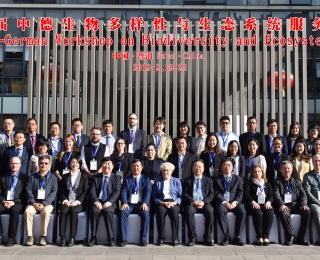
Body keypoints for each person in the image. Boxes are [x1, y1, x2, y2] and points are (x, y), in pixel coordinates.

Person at [273, 160, 310, 246]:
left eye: (288, 168)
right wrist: (281, 204)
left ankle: (302, 238)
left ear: (292, 169)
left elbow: (303, 194)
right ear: (280, 170)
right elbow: (276, 195)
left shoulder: (297, 180)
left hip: (296, 204)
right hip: (285, 205)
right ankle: (290, 236)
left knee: (307, 212)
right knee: (283, 213)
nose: (287, 170)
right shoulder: (277, 181)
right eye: (284, 168)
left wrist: (303, 204)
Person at [24, 155, 58, 246]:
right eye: (41, 163)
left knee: (46, 212)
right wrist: (34, 203)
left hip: (47, 204)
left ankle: (42, 236)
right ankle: (30, 237)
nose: (43, 165)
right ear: (38, 164)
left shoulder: (53, 178)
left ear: (49, 164)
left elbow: (53, 193)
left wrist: (44, 203)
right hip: (34, 203)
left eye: (46, 163)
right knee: (27, 211)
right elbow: (28, 191)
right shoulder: (32, 177)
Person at [88, 157, 121, 247]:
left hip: (110, 203)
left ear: (113, 166)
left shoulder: (117, 178)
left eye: (108, 164)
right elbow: (92, 191)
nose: (106, 166)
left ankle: (110, 238)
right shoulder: (95, 177)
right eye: (104, 164)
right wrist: (96, 201)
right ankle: (93, 237)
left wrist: (109, 202)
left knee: (108, 211)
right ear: (101, 166)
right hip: (98, 202)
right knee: (94, 211)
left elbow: (117, 192)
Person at [118, 159, 152, 247]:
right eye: (133, 166)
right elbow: (123, 192)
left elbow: (148, 192)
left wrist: (145, 203)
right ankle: (123, 239)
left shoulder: (146, 178)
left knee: (145, 213)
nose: (135, 167)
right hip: (129, 204)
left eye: (137, 166)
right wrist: (124, 202)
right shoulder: (127, 179)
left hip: (141, 204)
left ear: (141, 168)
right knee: (122, 212)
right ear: (131, 167)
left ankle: (143, 239)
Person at [213, 158, 246, 246]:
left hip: (234, 202)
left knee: (242, 211)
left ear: (232, 167)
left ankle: (237, 236)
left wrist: (235, 202)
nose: (227, 167)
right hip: (222, 203)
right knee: (219, 211)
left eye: (229, 165)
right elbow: (216, 192)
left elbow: (240, 192)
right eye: (225, 165)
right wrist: (224, 202)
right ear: (221, 167)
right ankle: (226, 235)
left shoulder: (238, 178)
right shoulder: (217, 179)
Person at [58, 155, 88, 247]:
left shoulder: (84, 176)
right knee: (63, 210)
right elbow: (61, 191)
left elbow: (85, 191)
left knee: (74, 211)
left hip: (78, 202)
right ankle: (62, 237)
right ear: (69, 164)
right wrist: (65, 201)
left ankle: (72, 237)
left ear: (79, 164)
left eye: (76, 162)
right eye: (72, 162)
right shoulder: (65, 176)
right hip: (67, 201)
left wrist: (77, 202)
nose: (74, 164)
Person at [183, 159, 214, 246]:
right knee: (188, 212)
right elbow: (184, 194)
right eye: (195, 166)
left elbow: (211, 194)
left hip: (204, 203)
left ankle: (207, 237)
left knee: (210, 212)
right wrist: (193, 202)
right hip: (192, 203)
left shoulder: (208, 180)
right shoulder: (187, 180)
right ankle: (192, 237)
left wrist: (203, 202)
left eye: (200, 166)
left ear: (203, 169)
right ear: (192, 168)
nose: (198, 168)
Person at [152, 162, 182, 246]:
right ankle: (161, 237)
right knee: (160, 212)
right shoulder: (158, 180)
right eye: (164, 170)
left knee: (174, 213)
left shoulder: (177, 181)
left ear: (171, 171)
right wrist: (161, 203)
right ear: (161, 171)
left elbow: (180, 196)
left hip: (173, 202)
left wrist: (174, 203)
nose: (165, 172)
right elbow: (154, 196)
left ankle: (175, 237)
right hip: (162, 202)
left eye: (167, 170)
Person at [0, 157, 28, 246]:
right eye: (12, 163)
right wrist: (4, 201)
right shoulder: (3, 177)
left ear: (20, 165)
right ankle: (0, 236)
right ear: (9, 165)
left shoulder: (25, 178)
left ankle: (11, 237)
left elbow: (26, 195)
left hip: (18, 203)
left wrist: (14, 202)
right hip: (5, 202)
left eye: (16, 164)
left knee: (14, 210)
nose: (14, 165)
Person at [244, 165, 274, 246]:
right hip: (253, 204)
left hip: (265, 204)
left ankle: (266, 236)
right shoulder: (249, 183)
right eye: (255, 171)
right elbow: (246, 194)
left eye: (259, 171)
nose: (257, 173)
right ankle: (259, 237)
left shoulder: (267, 184)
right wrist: (252, 201)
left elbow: (271, 195)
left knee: (270, 212)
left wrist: (268, 202)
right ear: (252, 173)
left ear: (262, 173)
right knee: (258, 213)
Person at [303, 155, 320, 245]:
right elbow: (307, 192)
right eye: (315, 161)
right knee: (317, 211)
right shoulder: (307, 176)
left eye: (319, 161)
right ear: (312, 162)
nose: (317, 163)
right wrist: (317, 202)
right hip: (314, 202)